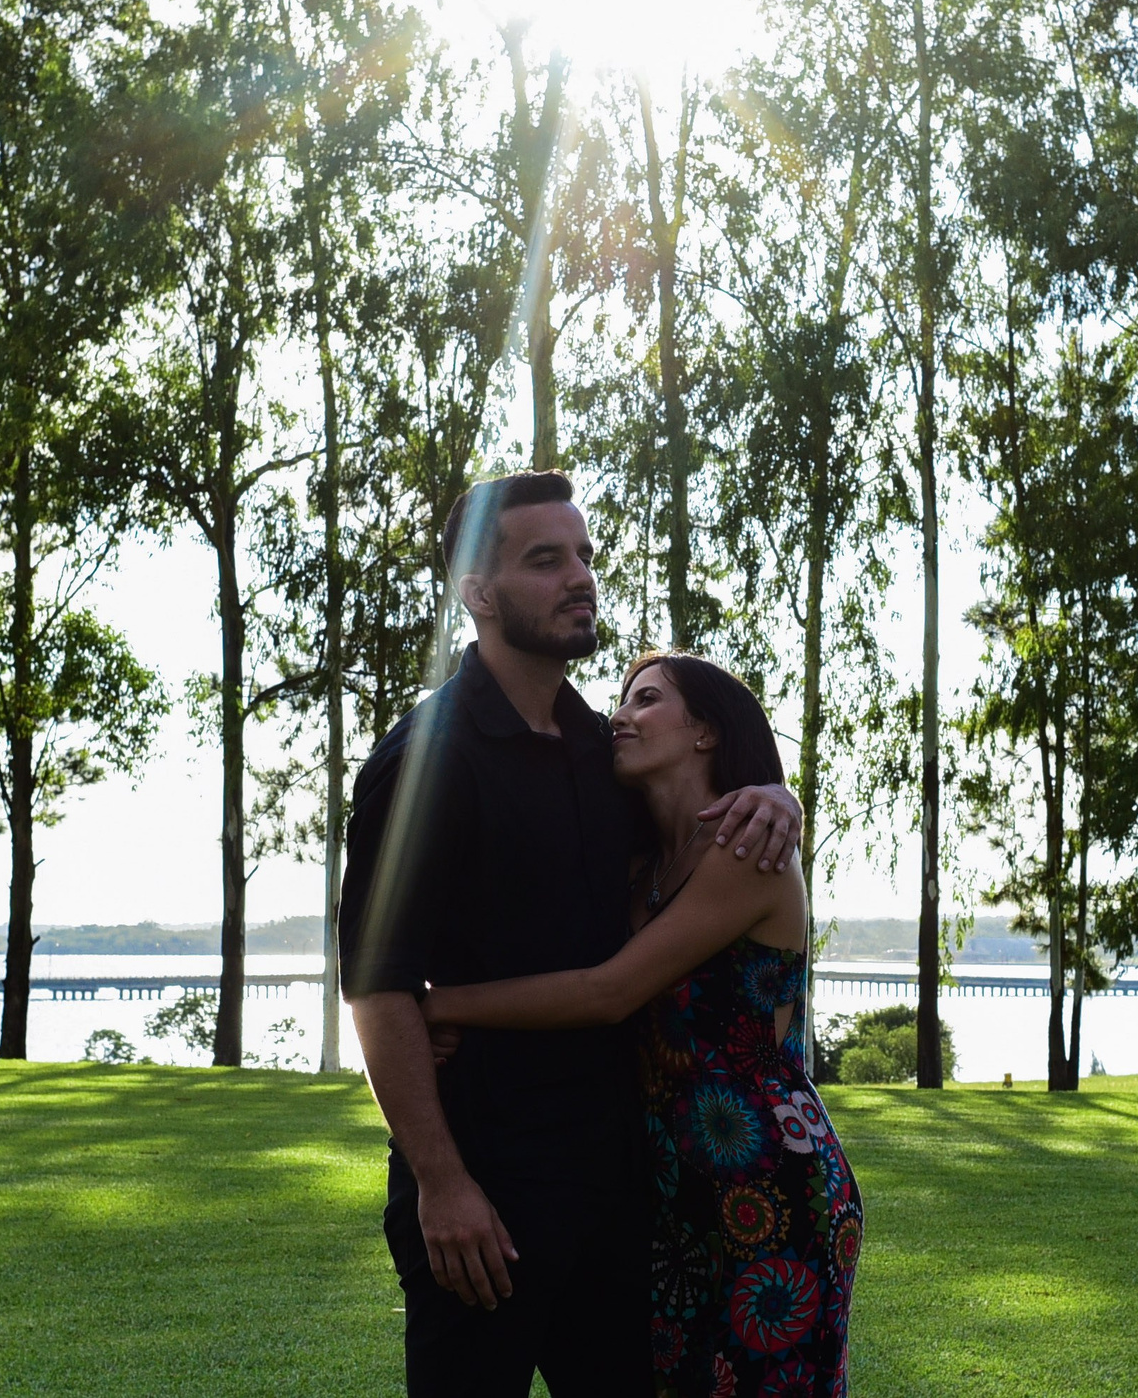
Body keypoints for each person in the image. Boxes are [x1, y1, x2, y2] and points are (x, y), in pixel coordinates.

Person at [340, 473, 801, 1398]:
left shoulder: (602, 751)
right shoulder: (426, 759)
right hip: (487, 1192)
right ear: (478, 592)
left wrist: (777, 792)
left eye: (584, 555)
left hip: (621, 1194)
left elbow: (689, 842)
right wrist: (442, 1182)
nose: (579, 576)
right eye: (545, 560)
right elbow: (377, 987)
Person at [423, 651, 861, 1398]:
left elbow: (608, 992)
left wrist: (436, 1004)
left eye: (646, 699)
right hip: (666, 1187)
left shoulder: (747, 850)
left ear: (706, 732)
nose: (618, 716)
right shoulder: (639, 864)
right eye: (621, 700)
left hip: (767, 1185)